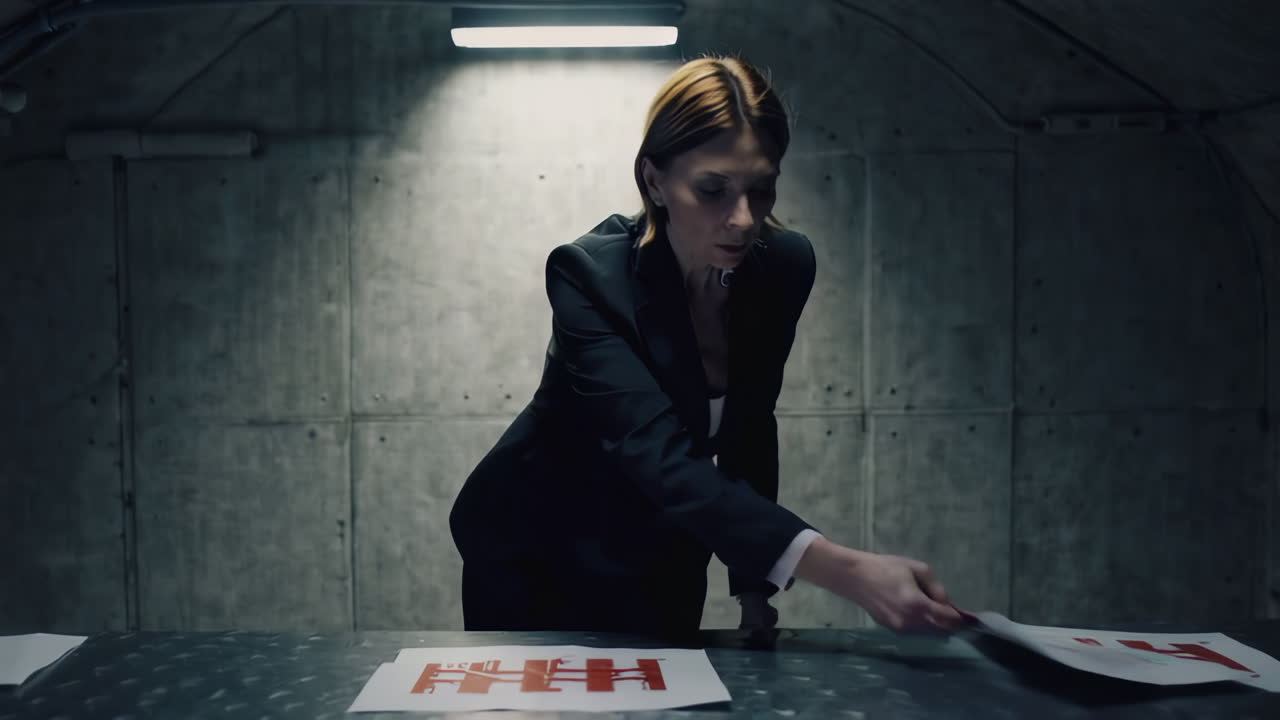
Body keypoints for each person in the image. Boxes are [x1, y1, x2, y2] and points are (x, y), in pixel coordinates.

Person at [449, 54, 966, 637]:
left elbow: (749, 425)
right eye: (714, 190)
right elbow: (656, 453)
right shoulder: (588, 275)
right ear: (654, 180)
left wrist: (752, 586)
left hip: (666, 547)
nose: (743, 220)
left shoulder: (782, 266)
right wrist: (849, 571)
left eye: (761, 190)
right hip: (535, 547)